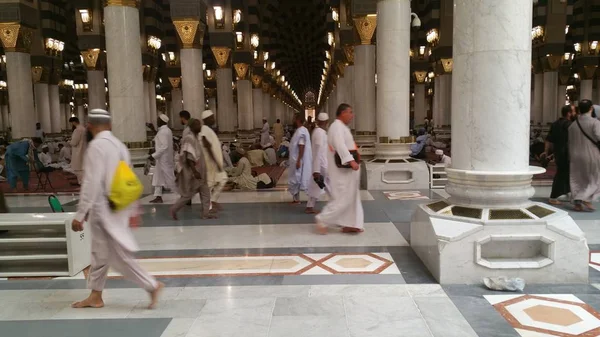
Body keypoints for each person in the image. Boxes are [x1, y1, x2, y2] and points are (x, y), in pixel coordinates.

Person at [70, 108, 163, 310]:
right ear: (110, 125)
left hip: (102, 208)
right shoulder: (120, 145)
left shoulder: (96, 147)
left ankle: (151, 285)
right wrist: (132, 210)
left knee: (116, 257)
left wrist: (80, 213)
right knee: (99, 254)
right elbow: (128, 179)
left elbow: (91, 183)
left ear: (90, 126)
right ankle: (95, 295)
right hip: (119, 206)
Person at [315, 104, 363, 234]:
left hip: (347, 171)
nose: (352, 115)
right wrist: (351, 160)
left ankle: (350, 223)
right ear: (342, 113)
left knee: (352, 197)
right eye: (350, 112)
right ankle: (322, 219)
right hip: (342, 171)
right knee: (343, 198)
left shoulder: (342, 127)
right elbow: (340, 145)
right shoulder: (336, 127)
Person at [170, 119, 214, 219]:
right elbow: (189, 156)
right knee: (188, 195)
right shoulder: (189, 138)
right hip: (193, 172)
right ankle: (174, 209)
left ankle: (205, 214)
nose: (200, 126)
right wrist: (195, 171)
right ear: (192, 126)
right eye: (197, 125)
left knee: (206, 193)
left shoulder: (198, 137)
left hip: (201, 171)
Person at [568, 99, 600, 212]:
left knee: (577, 179)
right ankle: (586, 197)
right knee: (595, 178)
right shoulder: (595, 122)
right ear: (591, 108)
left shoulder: (572, 125)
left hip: (575, 155)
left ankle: (577, 204)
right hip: (591, 154)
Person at [544, 105, 574, 205]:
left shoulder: (555, 124)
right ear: (569, 113)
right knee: (562, 174)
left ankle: (570, 193)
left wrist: (546, 152)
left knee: (566, 173)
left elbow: (548, 139)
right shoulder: (570, 125)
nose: (575, 113)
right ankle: (553, 197)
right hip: (567, 153)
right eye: (573, 111)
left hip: (558, 153)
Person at [200, 110, 228, 212]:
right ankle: (208, 206)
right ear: (206, 119)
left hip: (213, 163)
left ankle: (212, 201)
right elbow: (206, 144)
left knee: (221, 180)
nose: (214, 119)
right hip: (209, 163)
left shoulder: (209, 129)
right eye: (212, 117)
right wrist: (215, 160)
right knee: (210, 184)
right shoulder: (204, 129)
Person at [149, 114, 176, 204]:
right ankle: (158, 196)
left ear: (162, 121)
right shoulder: (166, 130)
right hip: (163, 159)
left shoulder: (163, 132)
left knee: (169, 178)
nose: (157, 121)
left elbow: (164, 146)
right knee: (158, 177)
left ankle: (182, 194)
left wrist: (154, 155)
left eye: (158, 120)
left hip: (163, 159)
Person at [306, 112, 330, 214]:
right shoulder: (320, 133)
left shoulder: (318, 131)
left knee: (315, 185)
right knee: (330, 185)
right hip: (321, 164)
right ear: (326, 122)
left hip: (319, 163)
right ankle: (338, 207)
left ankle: (309, 207)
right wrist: (316, 170)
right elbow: (318, 151)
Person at [288, 113, 312, 204]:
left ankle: (298, 200)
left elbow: (301, 146)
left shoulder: (301, 131)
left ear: (297, 120)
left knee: (296, 179)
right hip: (296, 159)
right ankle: (296, 198)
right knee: (296, 178)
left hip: (298, 159)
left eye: (294, 118)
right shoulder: (300, 130)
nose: (292, 120)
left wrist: (298, 160)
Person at [69, 117, 87, 184]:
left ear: (73, 122)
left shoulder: (77, 130)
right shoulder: (84, 129)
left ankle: (81, 183)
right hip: (84, 150)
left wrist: (69, 142)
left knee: (78, 169)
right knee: (82, 168)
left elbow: (74, 142)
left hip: (78, 151)